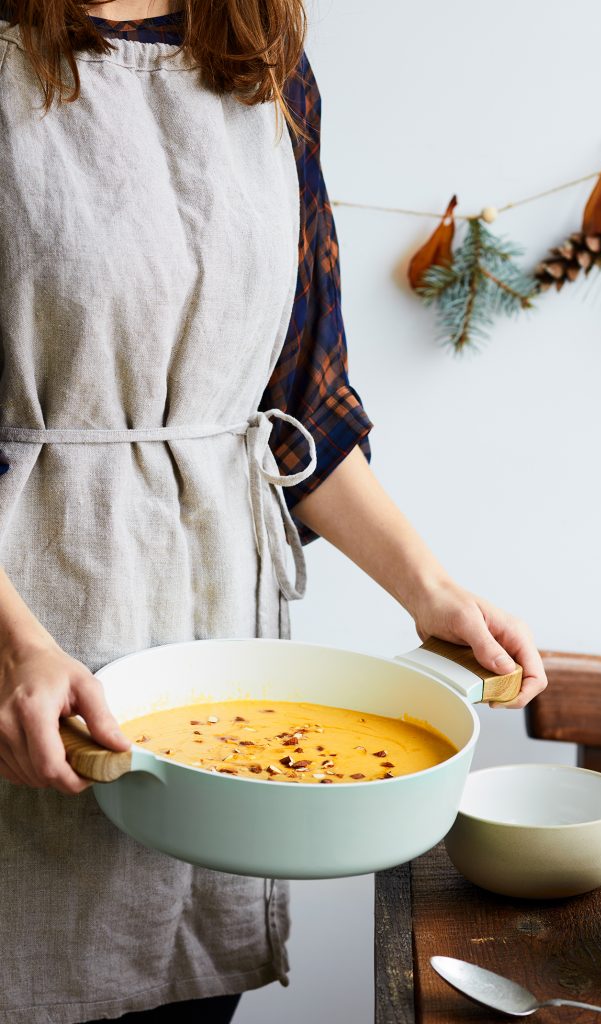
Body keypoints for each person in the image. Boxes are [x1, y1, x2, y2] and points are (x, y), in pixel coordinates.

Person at [0, 1, 548, 1021]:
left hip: (213, 644)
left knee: (177, 982)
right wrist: (18, 647)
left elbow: (298, 403)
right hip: (25, 630)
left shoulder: (258, 52)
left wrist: (430, 594)